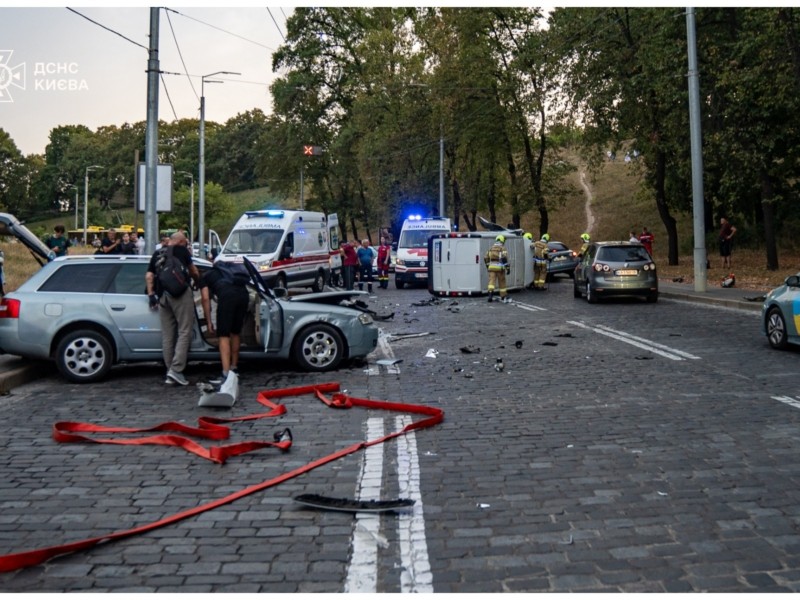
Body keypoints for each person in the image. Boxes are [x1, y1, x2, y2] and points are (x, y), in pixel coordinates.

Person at [145, 231, 200, 386]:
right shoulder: (182, 251)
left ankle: (170, 370)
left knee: (168, 335)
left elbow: (149, 276)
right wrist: (197, 281)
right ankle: (176, 370)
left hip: (162, 296)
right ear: (181, 242)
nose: (187, 245)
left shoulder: (157, 253)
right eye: (186, 243)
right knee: (184, 331)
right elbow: (194, 270)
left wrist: (151, 295)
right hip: (180, 293)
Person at [200, 262, 250, 384]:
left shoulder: (204, 277)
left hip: (227, 297)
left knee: (223, 335)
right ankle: (234, 367)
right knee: (235, 332)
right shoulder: (227, 273)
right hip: (244, 295)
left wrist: (209, 321)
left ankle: (226, 373)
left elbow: (205, 298)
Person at [484, 234, 510, 303]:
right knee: (502, 281)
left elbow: (485, 258)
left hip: (491, 267)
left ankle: (490, 296)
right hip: (500, 268)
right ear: (502, 240)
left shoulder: (491, 248)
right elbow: (504, 258)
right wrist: (507, 267)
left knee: (491, 282)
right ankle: (503, 296)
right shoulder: (502, 248)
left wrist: (488, 266)